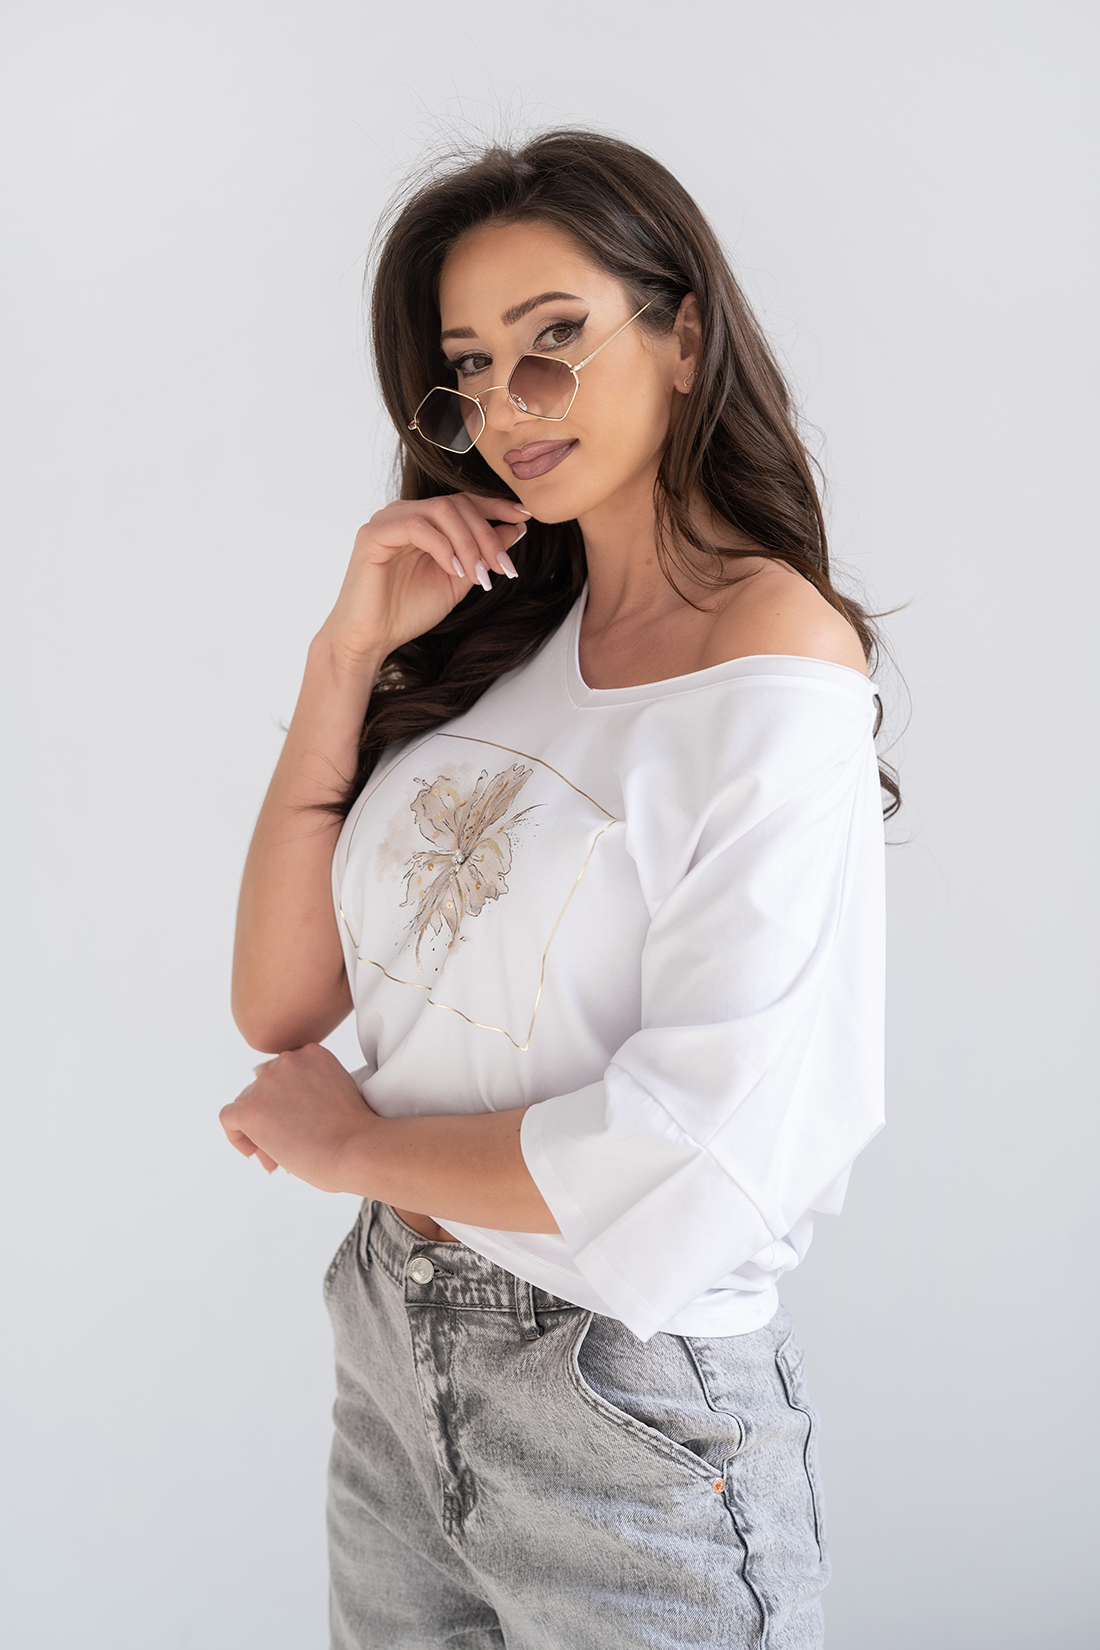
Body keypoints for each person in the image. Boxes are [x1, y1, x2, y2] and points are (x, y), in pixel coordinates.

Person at [220, 128, 896, 1650]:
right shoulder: (503, 641)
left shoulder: (775, 661)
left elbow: (710, 1141)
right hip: (395, 1349)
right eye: (470, 367)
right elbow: (282, 1001)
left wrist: (357, 1146)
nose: (509, 407)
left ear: (685, 336)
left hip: (622, 1401)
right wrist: (346, 654)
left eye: (553, 342)